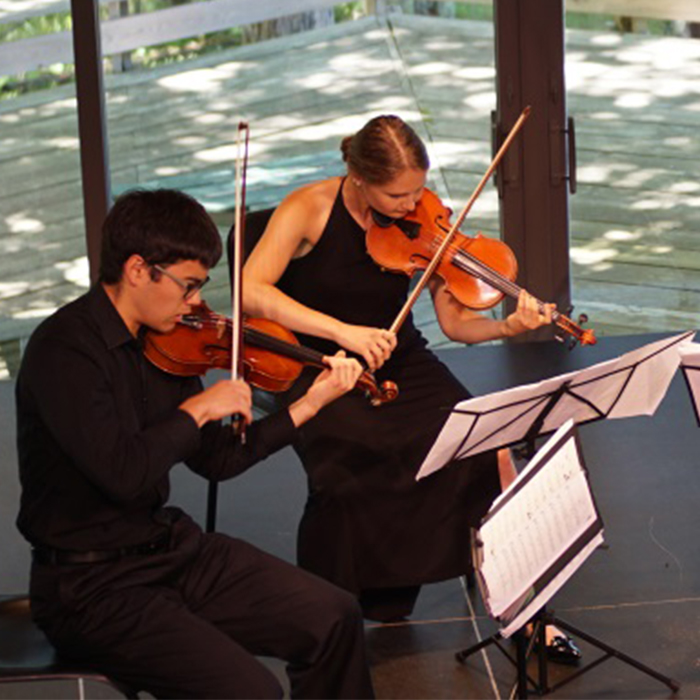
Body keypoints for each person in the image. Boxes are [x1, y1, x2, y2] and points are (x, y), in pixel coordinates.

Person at [242, 115, 582, 663]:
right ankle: (325, 617)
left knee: (484, 445)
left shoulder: (424, 218)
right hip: (317, 363)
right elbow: (250, 292)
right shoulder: (307, 208)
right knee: (351, 467)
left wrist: (504, 327)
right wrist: (342, 332)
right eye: (397, 194)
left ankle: (525, 608)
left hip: (396, 353)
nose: (411, 204)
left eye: (419, 189)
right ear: (357, 176)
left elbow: (455, 325)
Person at [15, 188, 376, 699]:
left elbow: (217, 460)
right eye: (187, 285)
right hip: (89, 589)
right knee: (251, 693)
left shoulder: (167, 343)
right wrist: (198, 408)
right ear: (138, 269)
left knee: (333, 616)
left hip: (171, 552)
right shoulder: (63, 351)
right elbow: (123, 472)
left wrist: (309, 405)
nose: (196, 303)